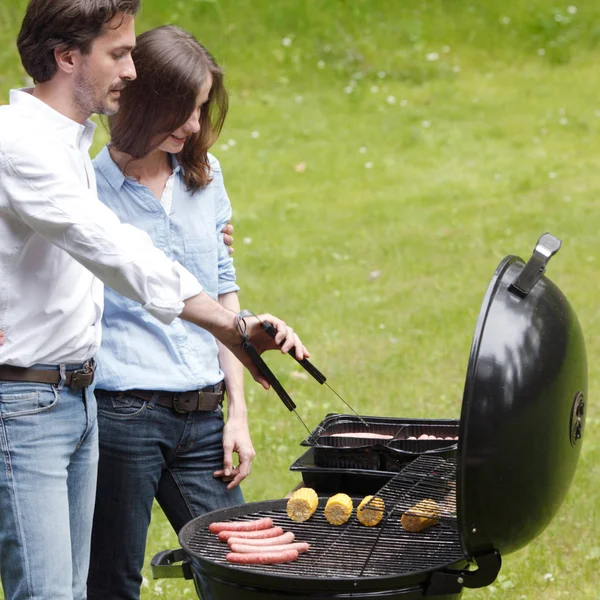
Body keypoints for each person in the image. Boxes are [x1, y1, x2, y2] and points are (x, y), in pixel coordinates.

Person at [0, 2, 308, 599]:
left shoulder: (70, 147)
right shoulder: (25, 148)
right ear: (68, 57)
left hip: (76, 398)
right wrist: (231, 324)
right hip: (36, 402)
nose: (131, 70)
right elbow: (117, 251)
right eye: (118, 54)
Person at [86, 25, 254, 599]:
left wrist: (237, 413)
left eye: (202, 108)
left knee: (241, 572)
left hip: (206, 415)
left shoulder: (204, 176)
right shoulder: (85, 191)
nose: (193, 125)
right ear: (143, 99)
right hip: (123, 416)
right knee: (111, 581)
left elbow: (223, 293)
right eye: (183, 109)